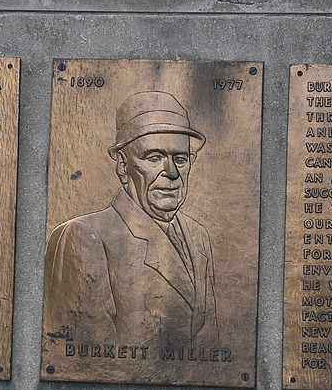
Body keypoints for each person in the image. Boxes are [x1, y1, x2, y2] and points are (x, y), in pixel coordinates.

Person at [43, 91, 218, 350]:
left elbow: (210, 346)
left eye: (180, 159)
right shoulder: (84, 237)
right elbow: (82, 360)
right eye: (154, 158)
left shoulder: (198, 236)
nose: (171, 173)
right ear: (123, 166)